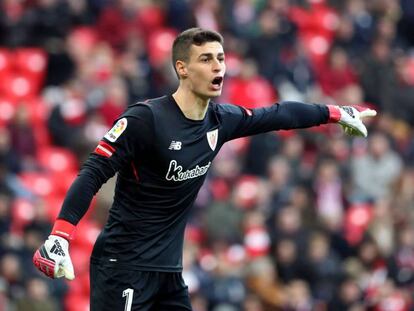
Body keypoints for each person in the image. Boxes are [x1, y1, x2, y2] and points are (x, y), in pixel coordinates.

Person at [32, 28, 376, 310]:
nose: (218, 67)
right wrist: (60, 235)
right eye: (207, 59)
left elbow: (277, 114)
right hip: (122, 269)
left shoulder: (220, 120)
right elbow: (92, 171)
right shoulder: (145, 119)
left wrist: (334, 112)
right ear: (182, 68)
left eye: (221, 59)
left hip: (168, 273)